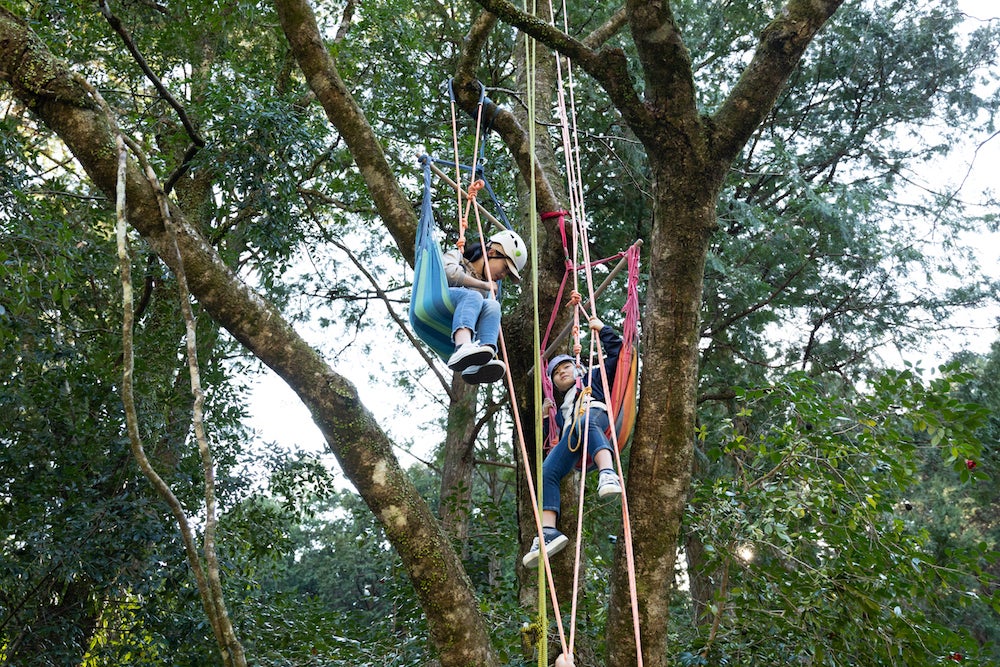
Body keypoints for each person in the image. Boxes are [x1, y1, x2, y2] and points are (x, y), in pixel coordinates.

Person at [522, 315, 624, 568]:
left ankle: (608, 473)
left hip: (595, 417)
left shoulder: (594, 376)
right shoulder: (561, 405)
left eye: (565, 367)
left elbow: (619, 352)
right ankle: (548, 532)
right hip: (573, 436)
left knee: (583, 421)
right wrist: (547, 418)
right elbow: (553, 437)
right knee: (547, 471)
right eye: (556, 373)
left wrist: (602, 330)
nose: (561, 373)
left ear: (577, 367)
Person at [443, 229, 527, 384]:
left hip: (461, 318)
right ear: (492, 252)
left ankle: (482, 359)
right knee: (473, 295)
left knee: (493, 305)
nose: (503, 275)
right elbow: (448, 272)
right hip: (440, 301)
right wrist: (482, 284)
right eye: (505, 268)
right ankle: (461, 346)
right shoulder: (457, 257)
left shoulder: (484, 291)